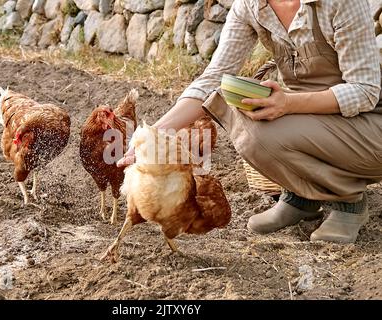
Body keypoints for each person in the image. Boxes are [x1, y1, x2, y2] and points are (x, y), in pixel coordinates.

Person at [118, 0, 382, 244]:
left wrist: (288, 103)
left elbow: (366, 90)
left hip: (369, 123)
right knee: (243, 119)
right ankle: (302, 198)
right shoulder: (251, 6)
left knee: (260, 125)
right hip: (315, 119)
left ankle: (350, 203)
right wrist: (151, 136)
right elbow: (213, 80)